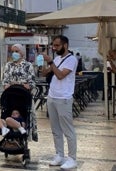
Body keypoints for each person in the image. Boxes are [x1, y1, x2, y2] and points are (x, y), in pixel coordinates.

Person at [40, 35, 77, 170]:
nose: (54, 48)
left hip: (64, 98)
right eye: (53, 46)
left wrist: (51, 63)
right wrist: (42, 64)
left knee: (68, 130)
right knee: (55, 129)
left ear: (65, 45)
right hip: (52, 96)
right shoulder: (56, 58)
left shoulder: (72, 59)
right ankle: (59, 155)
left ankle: (72, 158)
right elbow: (45, 73)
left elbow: (61, 75)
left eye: (57, 46)